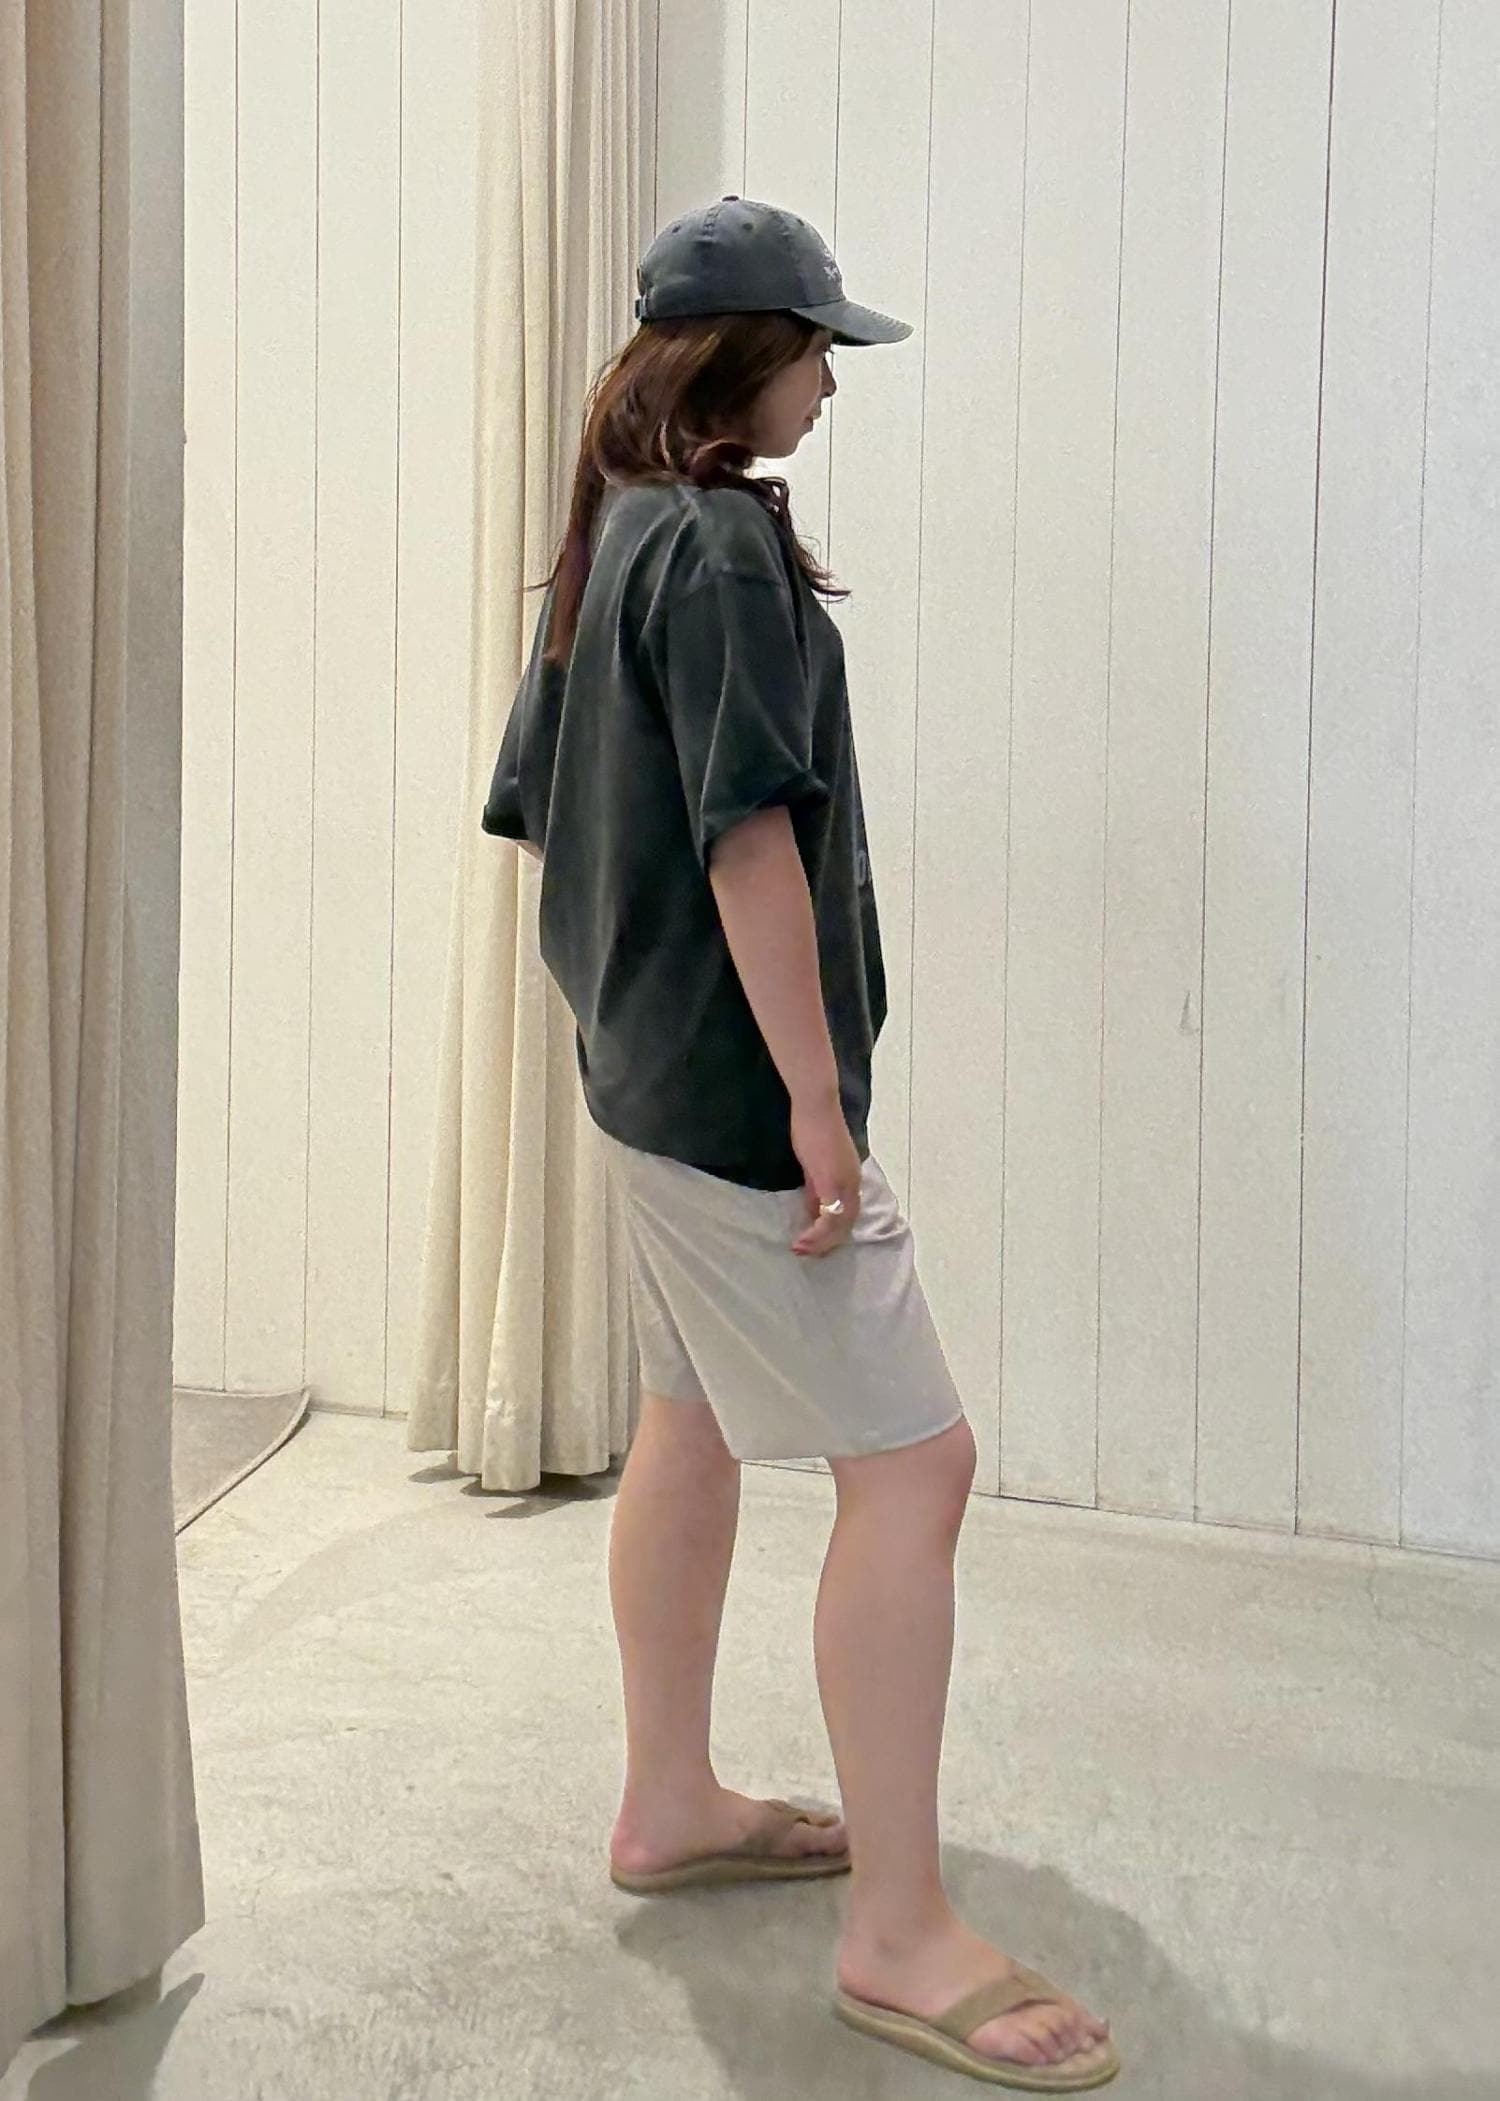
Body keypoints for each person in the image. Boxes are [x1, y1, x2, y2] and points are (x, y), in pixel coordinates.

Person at [482, 196, 1119, 2094]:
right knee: (916, 1462)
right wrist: (817, 1104)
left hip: (638, 1073)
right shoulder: (719, 549)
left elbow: (544, 811)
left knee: (689, 1420)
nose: (832, 382)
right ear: (739, 356)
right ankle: (900, 1929)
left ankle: (670, 1798)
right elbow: (749, 835)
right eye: (817, 349)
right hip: (733, 1101)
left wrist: (643, 1015)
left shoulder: (613, 533)